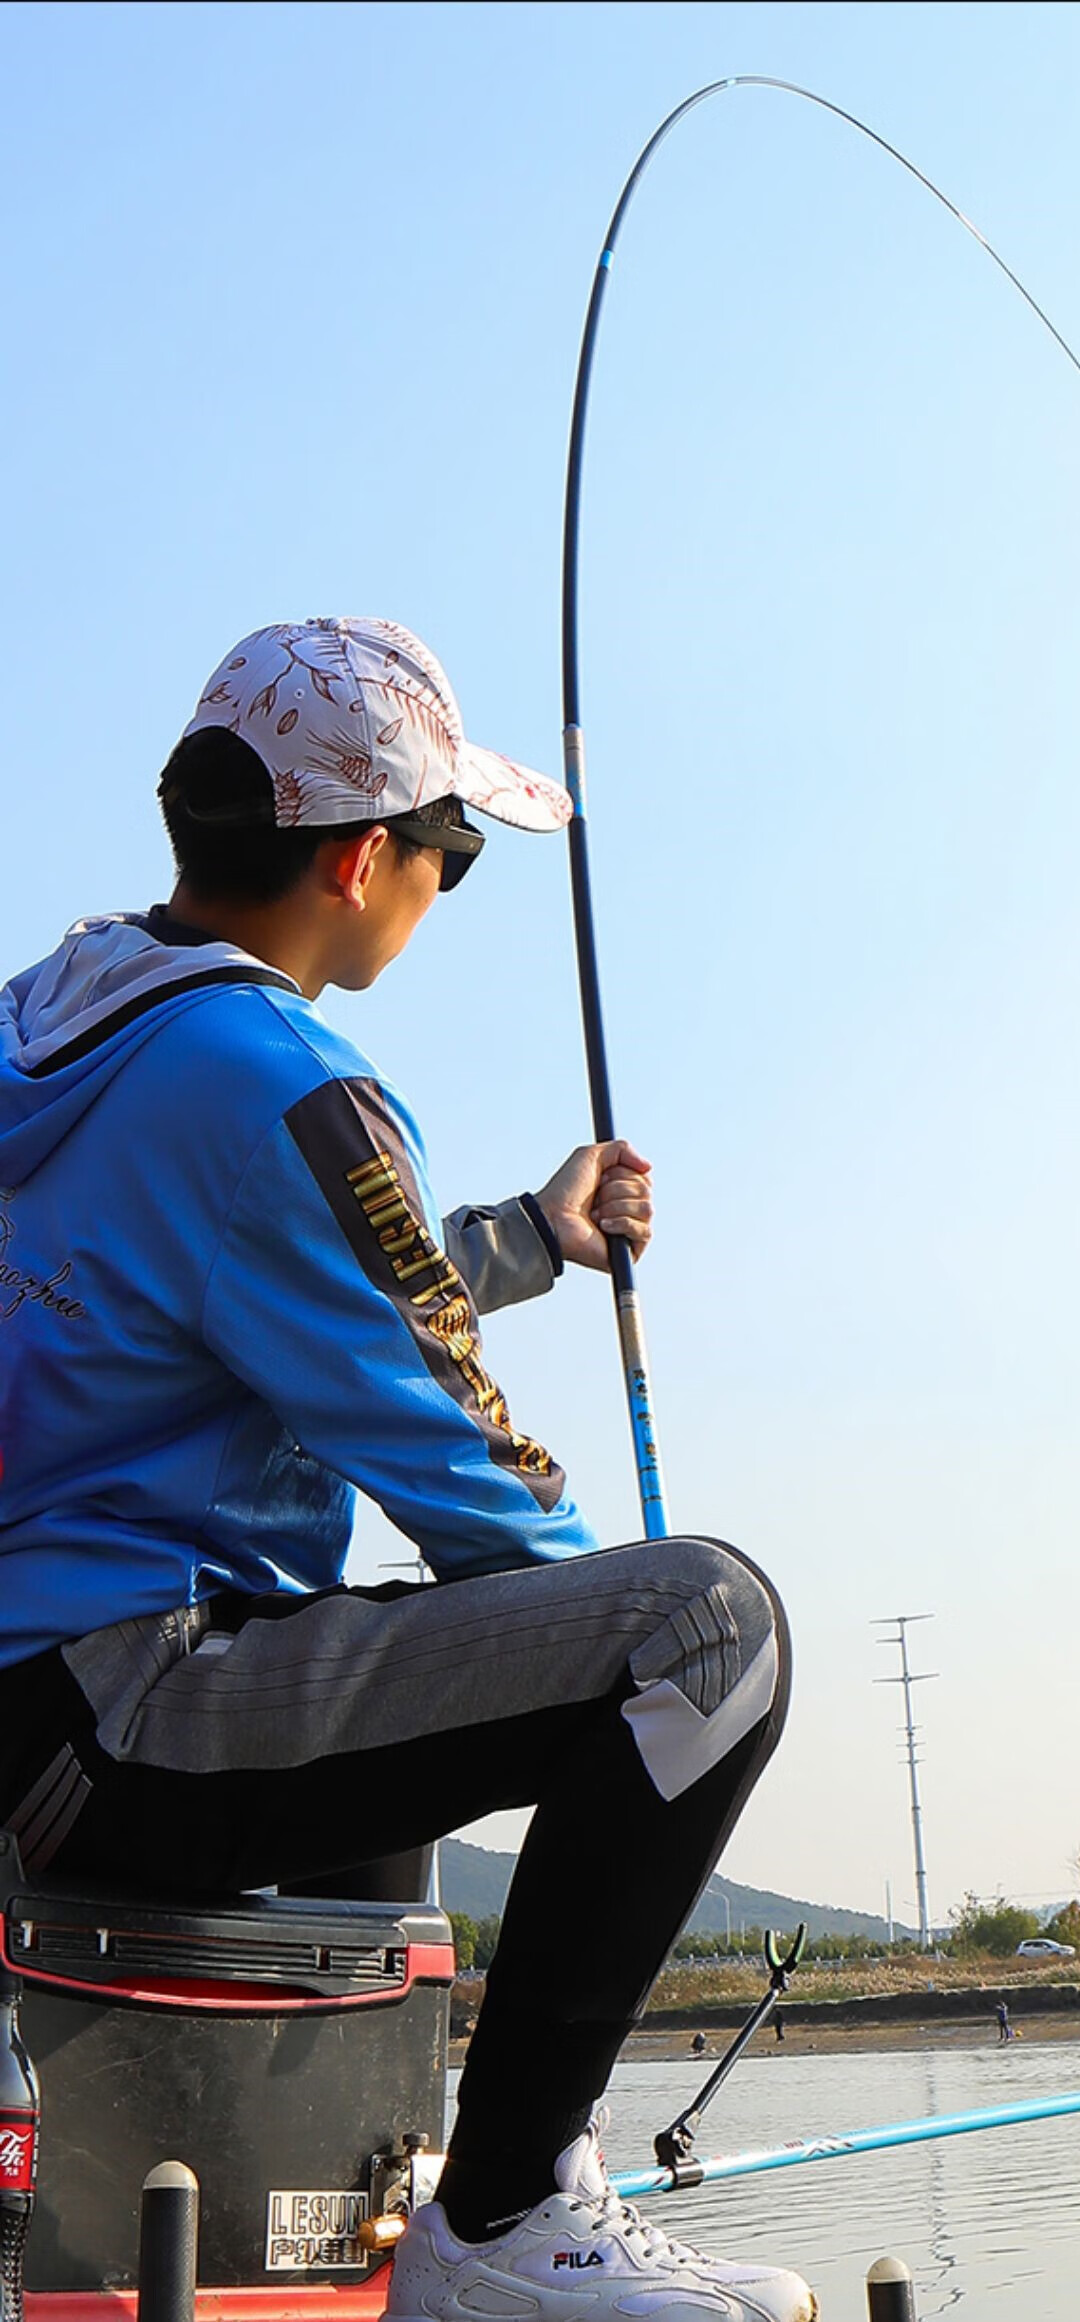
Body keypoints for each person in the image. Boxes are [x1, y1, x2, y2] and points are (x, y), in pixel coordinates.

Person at [0, 618, 814, 2322]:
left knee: (428, 1727)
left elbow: (236, 1288)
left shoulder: (63, 1025)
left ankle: (462, 2178)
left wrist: (526, 1237)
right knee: (708, 1635)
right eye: (452, 855)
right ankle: (502, 2223)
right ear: (364, 859)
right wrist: (612, 1630)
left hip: (31, 1697)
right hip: (116, 1703)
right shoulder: (288, 1086)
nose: (446, 887)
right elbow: (473, 1482)